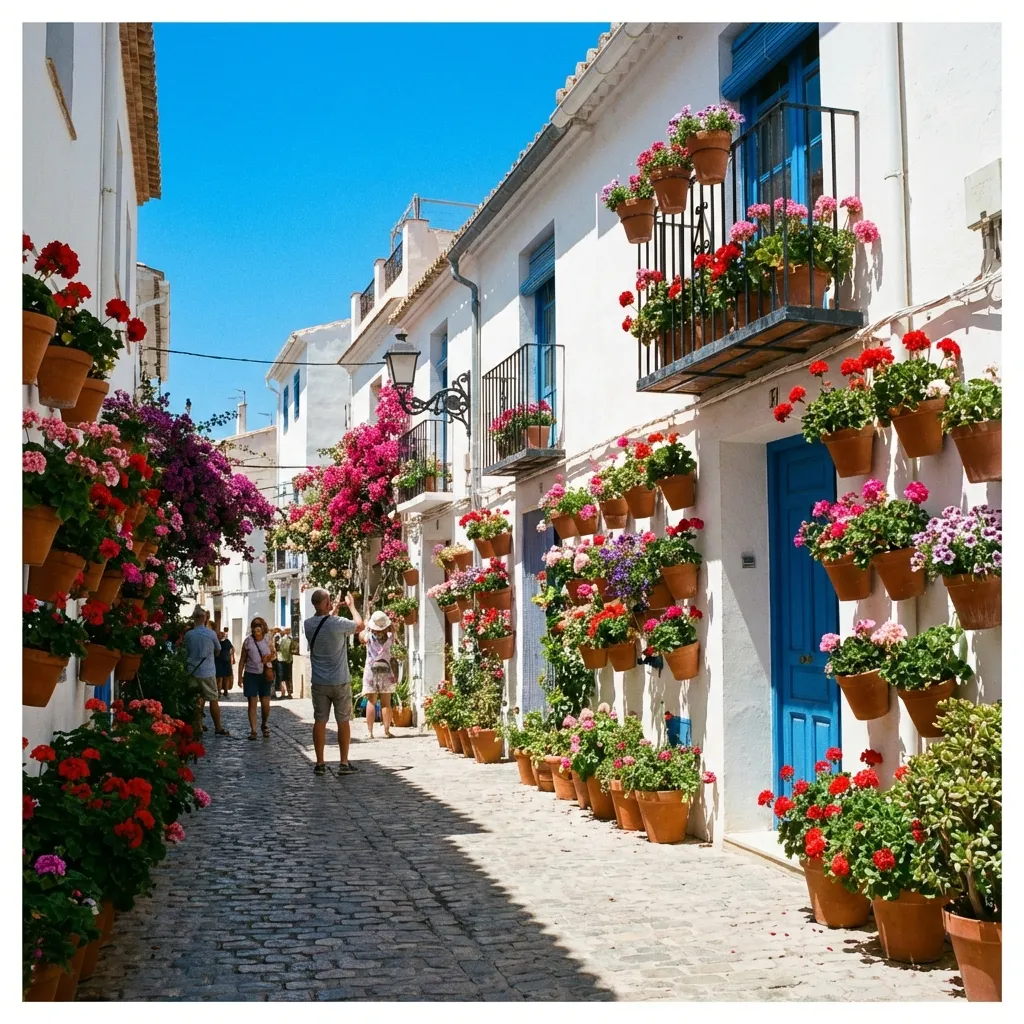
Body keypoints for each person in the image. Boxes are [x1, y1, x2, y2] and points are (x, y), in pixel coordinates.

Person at [304, 589, 363, 776]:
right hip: (340, 681)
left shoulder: (308, 624)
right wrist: (352, 607)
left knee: (319, 721)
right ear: (325, 603)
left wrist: (332, 607)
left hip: (319, 682)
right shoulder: (337, 624)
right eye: (329, 601)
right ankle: (344, 763)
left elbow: (326, 624)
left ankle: (320, 763)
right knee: (343, 721)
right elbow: (360, 626)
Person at [183, 606, 228, 736]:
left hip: (192, 671)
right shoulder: (211, 634)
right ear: (204, 618)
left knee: (196, 700)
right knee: (213, 699)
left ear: (193, 618)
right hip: (208, 671)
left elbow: (185, 651)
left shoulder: (188, 635)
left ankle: (198, 726)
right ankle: (218, 727)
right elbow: (218, 649)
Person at [359, 610, 398, 740]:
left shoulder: (368, 636)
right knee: (386, 702)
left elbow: (361, 636)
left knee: (371, 701)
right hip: (386, 670)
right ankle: (386, 731)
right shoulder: (390, 636)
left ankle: (370, 732)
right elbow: (393, 631)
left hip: (371, 670)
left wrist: (367, 626)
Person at [238, 617, 275, 741]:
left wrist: (268, 658)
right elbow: (242, 659)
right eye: (254, 629)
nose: (256, 631)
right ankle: (253, 730)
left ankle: (264, 724)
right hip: (250, 674)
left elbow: (274, 654)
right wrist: (240, 677)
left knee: (265, 705)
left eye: (258, 628)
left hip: (265, 674)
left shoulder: (268, 640)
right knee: (252, 704)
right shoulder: (247, 641)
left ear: (263, 628)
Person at [215, 628, 235, 699]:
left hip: (226, 661)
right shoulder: (216, 642)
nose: (220, 636)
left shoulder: (227, 641)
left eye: (221, 635)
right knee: (219, 677)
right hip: (219, 661)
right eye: (219, 635)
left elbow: (232, 649)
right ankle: (219, 692)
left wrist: (232, 656)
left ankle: (225, 691)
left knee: (226, 677)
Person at [277, 630, 294, 699]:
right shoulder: (289, 638)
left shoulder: (280, 639)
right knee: (287, 677)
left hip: (282, 659)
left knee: (282, 677)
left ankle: (284, 693)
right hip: (287, 660)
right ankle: (288, 693)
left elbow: (277, 648)